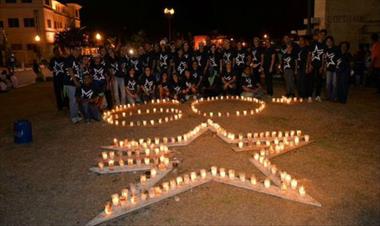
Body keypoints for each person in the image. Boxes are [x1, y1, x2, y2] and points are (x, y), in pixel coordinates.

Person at [64, 47, 82, 123]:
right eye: (76, 50)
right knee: (73, 100)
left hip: (75, 82)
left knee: (76, 99)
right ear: (72, 50)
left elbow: (77, 70)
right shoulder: (69, 59)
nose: (78, 52)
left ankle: (76, 115)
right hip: (70, 82)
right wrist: (75, 81)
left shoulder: (76, 59)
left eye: (79, 50)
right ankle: (73, 117)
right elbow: (70, 70)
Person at [308, 31, 326, 102]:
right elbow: (309, 55)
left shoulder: (324, 45)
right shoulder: (313, 43)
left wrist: (322, 66)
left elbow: (323, 57)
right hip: (312, 65)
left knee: (319, 81)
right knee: (311, 81)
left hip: (319, 65)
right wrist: (309, 65)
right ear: (318, 35)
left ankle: (317, 96)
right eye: (321, 34)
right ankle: (309, 96)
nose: (322, 36)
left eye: (324, 35)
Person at [324, 36, 340, 101]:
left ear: (332, 42)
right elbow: (324, 59)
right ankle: (328, 96)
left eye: (330, 41)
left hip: (335, 68)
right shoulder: (326, 49)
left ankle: (334, 97)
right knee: (328, 83)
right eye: (327, 41)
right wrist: (324, 67)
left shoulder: (336, 49)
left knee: (334, 83)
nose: (329, 42)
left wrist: (338, 66)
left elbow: (339, 58)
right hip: (328, 68)